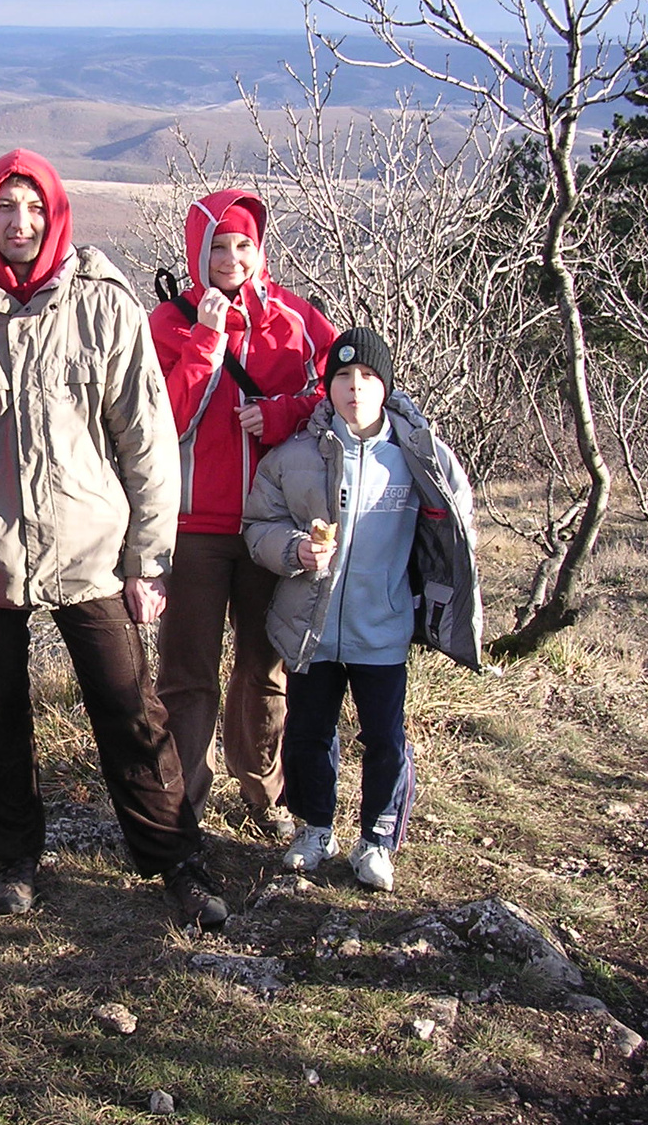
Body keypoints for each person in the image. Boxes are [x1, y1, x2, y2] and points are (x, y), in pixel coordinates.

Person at [0, 148, 227, 928]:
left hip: (89, 549)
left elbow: (146, 439)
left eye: (34, 210)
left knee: (128, 707)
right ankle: (11, 855)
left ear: (55, 216)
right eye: (4, 210)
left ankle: (174, 856)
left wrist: (150, 562)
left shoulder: (102, 304)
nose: (20, 224)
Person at [242, 326, 481, 892]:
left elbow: (457, 530)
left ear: (386, 386)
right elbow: (257, 527)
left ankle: (376, 837)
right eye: (343, 378)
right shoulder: (294, 455)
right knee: (308, 732)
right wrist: (294, 549)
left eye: (368, 378)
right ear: (327, 387)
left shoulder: (417, 456)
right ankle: (314, 826)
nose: (354, 389)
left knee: (385, 737)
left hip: (384, 626)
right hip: (311, 627)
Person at [149, 189, 338, 840]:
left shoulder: (294, 318)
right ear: (197, 251)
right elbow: (160, 419)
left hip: (273, 528)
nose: (231, 258)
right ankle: (182, 806)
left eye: (243, 245)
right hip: (193, 525)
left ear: (260, 250)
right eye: (218, 246)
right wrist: (206, 335)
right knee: (186, 673)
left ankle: (264, 795)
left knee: (266, 666)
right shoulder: (168, 323)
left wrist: (284, 411)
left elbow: (341, 388)